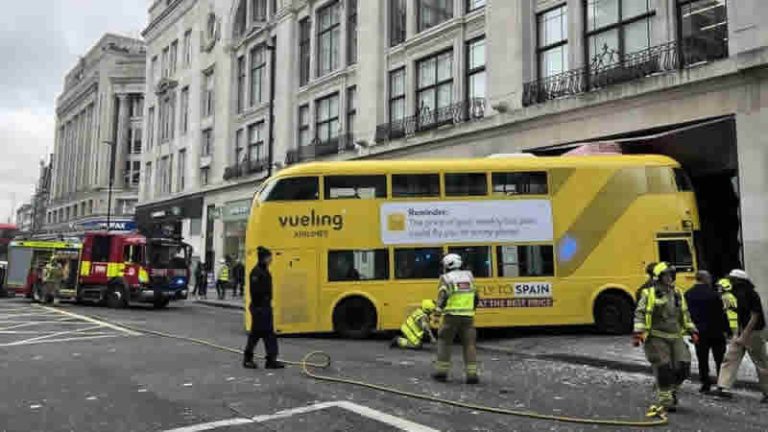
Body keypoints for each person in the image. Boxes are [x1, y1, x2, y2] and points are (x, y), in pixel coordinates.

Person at [633, 262, 698, 418]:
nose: (669, 278)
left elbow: (685, 314)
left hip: (675, 336)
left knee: (683, 366)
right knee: (663, 367)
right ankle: (666, 400)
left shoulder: (678, 293)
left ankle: (671, 389)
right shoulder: (648, 294)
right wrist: (638, 333)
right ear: (658, 277)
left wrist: (692, 330)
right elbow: (640, 314)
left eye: (671, 275)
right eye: (666, 275)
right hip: (656, 336)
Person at [710, 270, 768, 403]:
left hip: (754, 332)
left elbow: (755, 316)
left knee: (761, 363)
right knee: (730, 358)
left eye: (732, 278)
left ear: (739, 281)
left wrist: (744, 335)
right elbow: (737, 316)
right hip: (743, 331)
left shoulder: (751, 295)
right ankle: (723, 388)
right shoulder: (736, 294)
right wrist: (736, 333)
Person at [432, 253, 480, 384]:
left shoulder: (446, 278)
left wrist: (436, 315)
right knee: (469, 344)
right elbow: (476, 297)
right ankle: (472, 375)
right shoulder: (469, 277)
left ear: (447, 265)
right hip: (468, 318)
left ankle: (441, 373)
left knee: (444, 342)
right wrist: (472, 310)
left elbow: (442, 298)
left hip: (451, 317)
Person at [684, 271, 729, 393]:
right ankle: (721, 384)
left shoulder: (688, 294)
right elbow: (721, 313)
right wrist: (726, 330)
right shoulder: (714, 295)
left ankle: (705, 383)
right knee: (719, 358)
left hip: (698, 331)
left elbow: (686, 314)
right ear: (706, 279)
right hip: (715, 330)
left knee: (702, 358)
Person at [243, 247, 283, 369]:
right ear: (264, 258)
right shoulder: (257, 272)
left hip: (264, 307)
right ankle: (249, 359)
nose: (271, 259)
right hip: (260, 308)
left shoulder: (263, 271)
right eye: (269, 257)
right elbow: (255, 292)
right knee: (257, 335)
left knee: (268, 334)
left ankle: (270, 360)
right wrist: (259, 309)